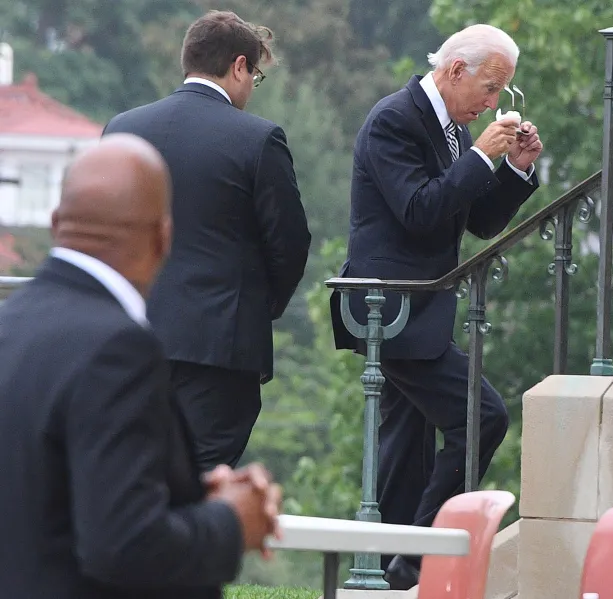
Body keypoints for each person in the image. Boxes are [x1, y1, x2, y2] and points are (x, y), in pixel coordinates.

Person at [0, 133, 282, 599]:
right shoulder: (118, 348)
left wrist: (188, 497)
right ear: (163, 238)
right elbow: (123, 544)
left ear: (56, 224)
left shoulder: (10, 324)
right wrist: (231, 521)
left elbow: (52, 498)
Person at [329, 23, 544, 589]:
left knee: (405, 448)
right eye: (491, 89)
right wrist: (477, 158)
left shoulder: (449, 128)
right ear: (454, 71)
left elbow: (474, 221)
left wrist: (515, 170)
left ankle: (394, 572)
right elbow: (420, 211)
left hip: (418, 313)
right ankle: (418, 557)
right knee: (482, 415)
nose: (494, 103)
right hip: (390, 313)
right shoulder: (394, 120)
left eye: (501, 94)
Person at [103, 10, 312, 472]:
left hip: (128, 341)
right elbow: (291, 243)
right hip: (221, 352)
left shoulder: (122, 129)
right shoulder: (258, 139)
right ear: (239, 66)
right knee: (199, 489)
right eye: (255, 74)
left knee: (129, 479)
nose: (252, 85)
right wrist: (257, 306)